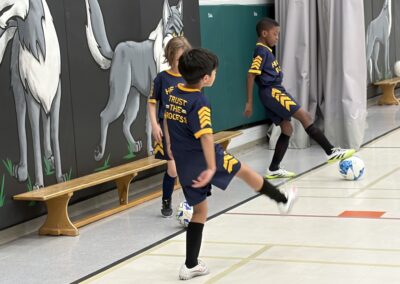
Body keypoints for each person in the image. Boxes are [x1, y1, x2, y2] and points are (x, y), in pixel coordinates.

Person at [163, 48, 297, 280]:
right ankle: (282, 200)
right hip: (205, 156)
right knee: (244, 171)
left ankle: (190, 264)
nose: (215, 75)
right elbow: (205, 136)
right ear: (206, 78)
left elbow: (165, 118)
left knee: (200, 211)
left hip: (185, 161)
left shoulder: (173, 92)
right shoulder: (200, 101)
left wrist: (170, 147)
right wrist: (212, 166)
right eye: (214, 72)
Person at [244, 17, 355, 179]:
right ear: (264, 33)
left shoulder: (266, 50)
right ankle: (331, 152)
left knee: (287, 129)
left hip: (272, 92)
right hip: (273, 92)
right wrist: (249, 102)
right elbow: (250, 75)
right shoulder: (261, 51)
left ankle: (273, 169)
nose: (277, 38)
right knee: (305, 116)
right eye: (275, 34)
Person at [148, 36, 191, 217]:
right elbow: (151, 103)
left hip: (186, 130)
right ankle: (166, 200)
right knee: (172, 169)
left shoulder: (190, 78)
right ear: (170, 56)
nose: (181, 62)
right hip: (167, 130)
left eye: (184, 58)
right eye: (178, 58)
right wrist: (154, 125)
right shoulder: (162, 79)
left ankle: (190, 203)